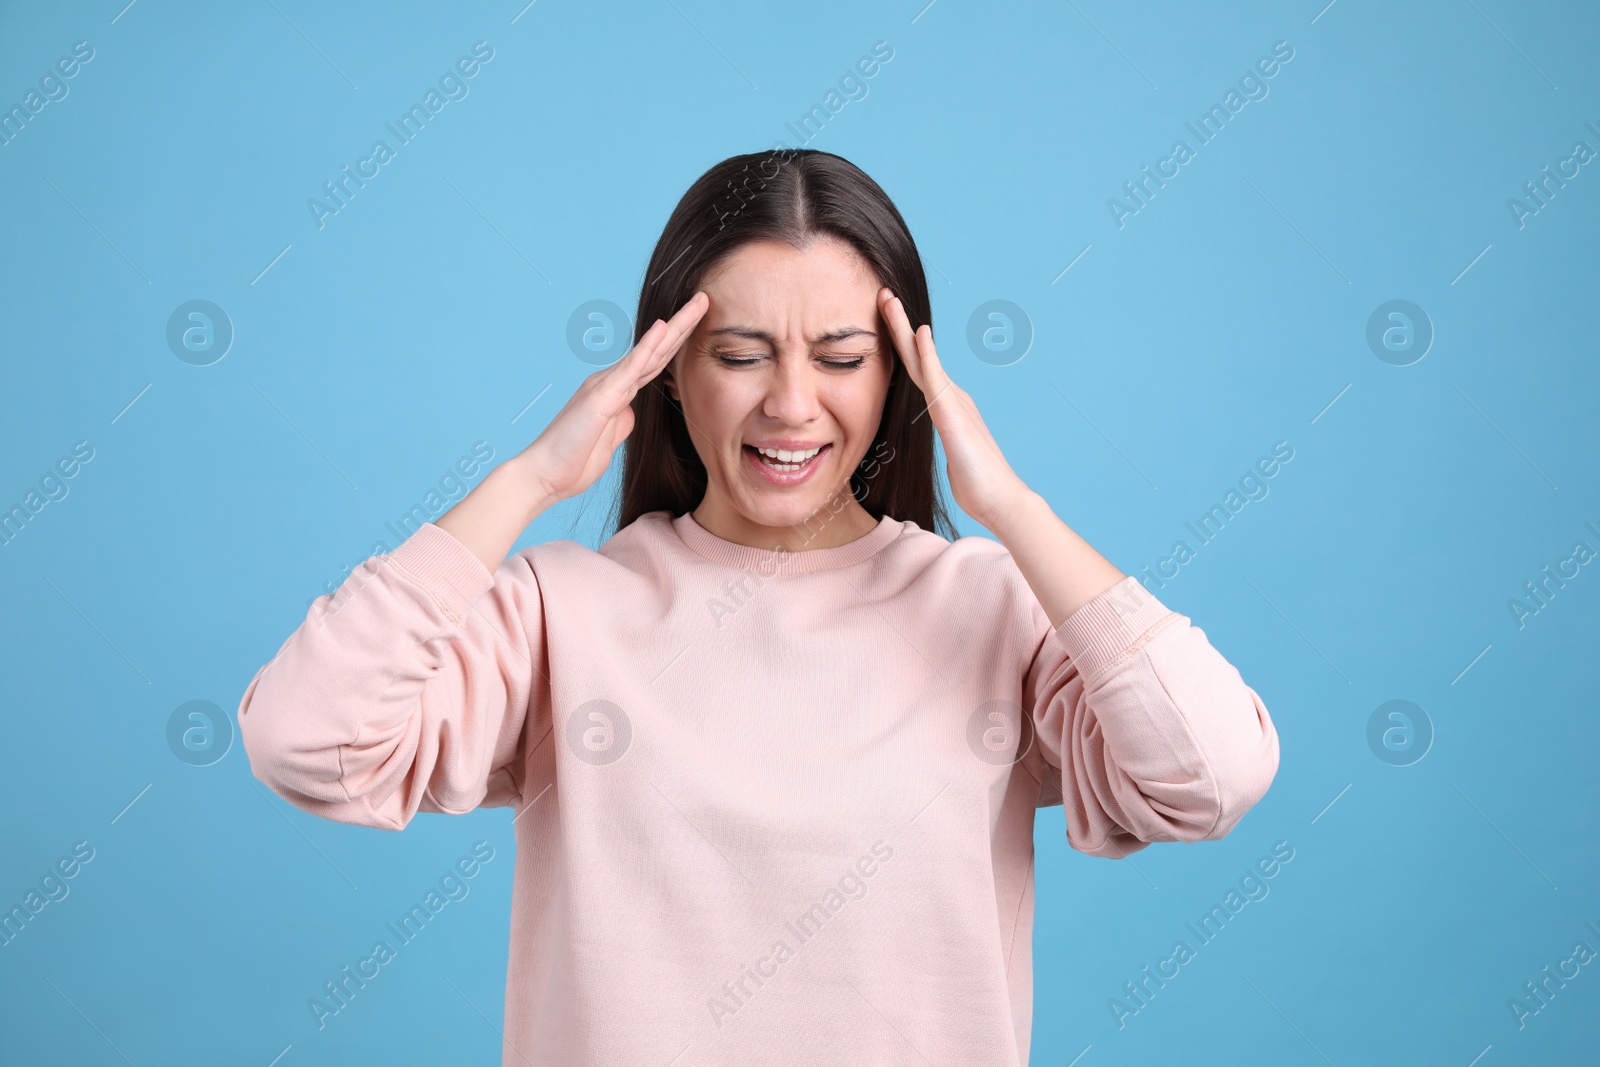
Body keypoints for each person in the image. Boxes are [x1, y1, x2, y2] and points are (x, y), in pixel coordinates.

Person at [238, 148, 1280, 1065]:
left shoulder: (991, 609)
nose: (789, 402)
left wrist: (1009, 507)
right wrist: (525, 481)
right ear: (669, 372)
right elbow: (307, 739)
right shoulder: (563, 612)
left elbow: (1209, 776)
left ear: (901, 378)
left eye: (839, 357)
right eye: (740, 355)